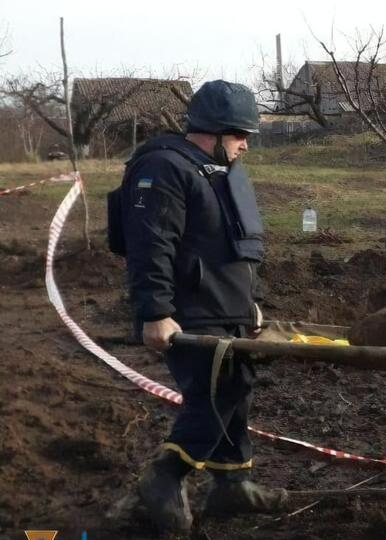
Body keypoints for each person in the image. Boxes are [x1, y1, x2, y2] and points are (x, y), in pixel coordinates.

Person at [117, 80, 287, 532]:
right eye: (239, 135)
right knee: (217, 396)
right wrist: (155, 312)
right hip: (189, 312)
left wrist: (246, 305)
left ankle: (233, 486)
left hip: (226, 309)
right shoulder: (164, 168)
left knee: (236, 393)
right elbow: (150, 245)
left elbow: (228, 245)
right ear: (212, 131)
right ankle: (164, 479)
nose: (246, 144)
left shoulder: (214, 171)